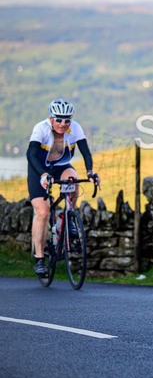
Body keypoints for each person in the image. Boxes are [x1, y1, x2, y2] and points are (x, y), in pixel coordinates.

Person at [27, 98, 99, 276]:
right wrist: (43, 175)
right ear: (51, 119)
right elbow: (31, 154)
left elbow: (85, 152)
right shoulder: (40, 128)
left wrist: (90, 172)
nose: (63, 124)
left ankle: (66, 216)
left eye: (67, 120)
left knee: (73, 180)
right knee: (42, 212)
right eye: (59, 119)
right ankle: (39, 258)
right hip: (39, 168)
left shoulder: (75, 128)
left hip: (61, 166)